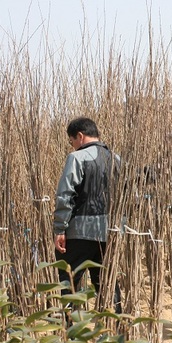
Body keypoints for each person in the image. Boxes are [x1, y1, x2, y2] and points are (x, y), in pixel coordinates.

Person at [53, 117, 122, 314]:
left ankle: (71, 335)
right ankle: (116, 331)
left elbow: (65, 195)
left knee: (69, 282)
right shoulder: (116, 159)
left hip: (79, 232)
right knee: (107, 282)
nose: (73, 145)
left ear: (80, 136)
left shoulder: (77, 158)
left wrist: (59, 228)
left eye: (72, 140)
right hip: (109, 232)